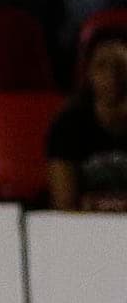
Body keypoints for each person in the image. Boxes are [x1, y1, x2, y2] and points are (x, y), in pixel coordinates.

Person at [47, 28, 127, 211]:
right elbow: (65, 203)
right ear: (89, 72)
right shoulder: (67, 127)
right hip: (84, 230)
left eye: (121, 64)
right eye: (102, 65)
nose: (112, 75)